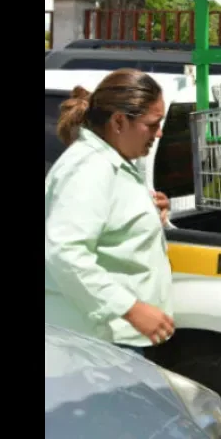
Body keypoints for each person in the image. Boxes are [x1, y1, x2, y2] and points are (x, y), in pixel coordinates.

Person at [45, 68, 175, 356]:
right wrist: (130, 308)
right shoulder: (89, 168)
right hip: (94, 342)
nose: (160, 132)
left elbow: (112, 228)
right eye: (153, 124)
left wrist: (151, 214)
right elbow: (65, 252)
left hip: (112, 337)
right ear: (119, 122)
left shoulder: (114, 161)